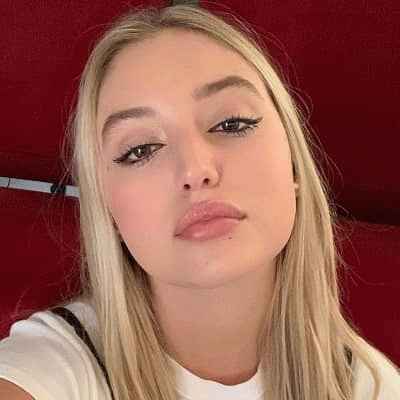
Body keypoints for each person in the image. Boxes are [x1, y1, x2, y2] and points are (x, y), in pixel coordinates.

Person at [1, 3, 400, 400]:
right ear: (108, 209)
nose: (195, 169)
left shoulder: (370, 386)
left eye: (231, 124)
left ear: (294, 163)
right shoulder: (53, 367)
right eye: (140, 150)